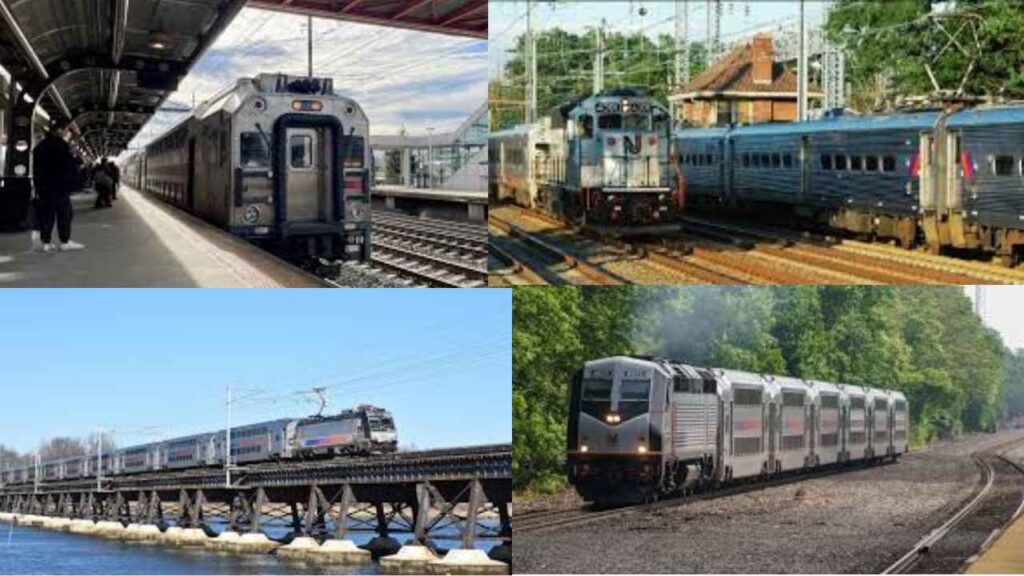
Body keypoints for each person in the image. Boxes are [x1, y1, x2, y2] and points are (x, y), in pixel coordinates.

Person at [31, 124, 84, 252]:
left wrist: (38, 187)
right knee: (65, 214)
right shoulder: (62, 146)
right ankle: (65, 242)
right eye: (66, 132)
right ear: (59, 132)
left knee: (46, 215)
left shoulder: (39, 147)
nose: (67, 134)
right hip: (60, 187)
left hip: (44, 188)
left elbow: (36, 169)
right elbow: (70, 166)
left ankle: (46, 243)